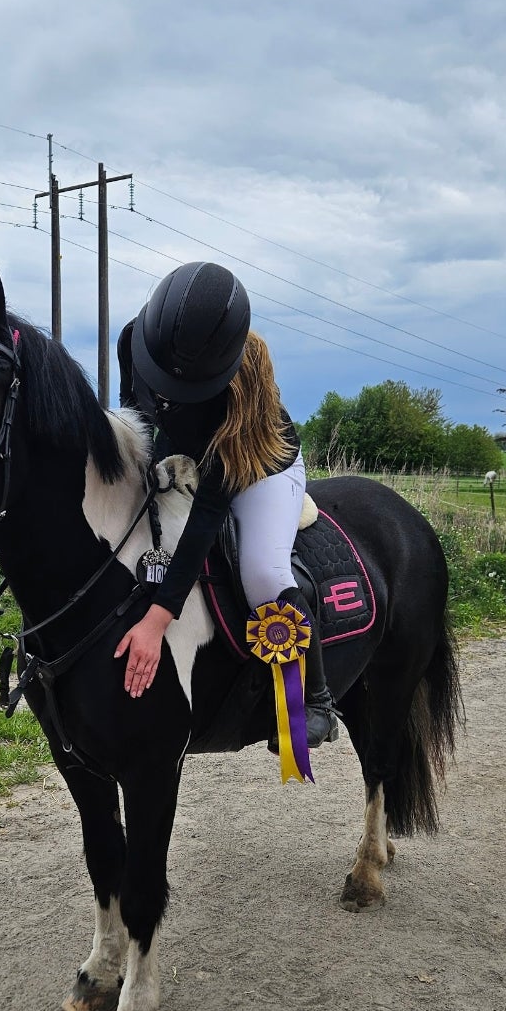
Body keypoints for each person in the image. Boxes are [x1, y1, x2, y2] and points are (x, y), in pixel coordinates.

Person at [114, 260, 339, 746]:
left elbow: (206, 519)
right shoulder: (132, 338)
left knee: (263, 573)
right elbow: (136, 414)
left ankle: (316, 699)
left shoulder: (237, 399)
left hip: (258, 466)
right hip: (185, 455)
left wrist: (156, 621)